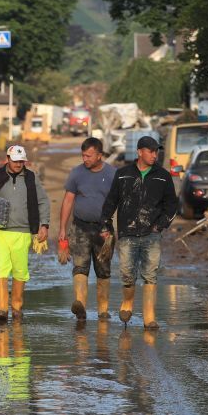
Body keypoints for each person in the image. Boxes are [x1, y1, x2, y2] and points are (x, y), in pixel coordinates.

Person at [99, 135, 178, 329]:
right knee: (127, 273)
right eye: (151, 151)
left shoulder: (163, 176)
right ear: (140, 152)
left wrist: (159, 225)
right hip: (127, 233)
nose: (154, 155)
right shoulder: (123, 174)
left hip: (152, 234)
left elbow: (172, 206)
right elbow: (111, 201)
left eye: (156, 151)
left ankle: (149, 318)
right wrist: (105, 224)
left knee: (150, 274)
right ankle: (127, 302)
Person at [0, 145, 50, 322]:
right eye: (15, 161)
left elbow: (43, 201)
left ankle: (17, 307)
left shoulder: (31, 177)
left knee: (20, 269)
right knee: (1, 266)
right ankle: (2, 309)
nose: (18, 164)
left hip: (23, 232)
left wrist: (44, 225)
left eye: (21, 161)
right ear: (7, 159)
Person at [58, 137, 117, 320]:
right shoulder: (76, 173)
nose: (85, 159)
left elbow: (121, 202)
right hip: (80, 228)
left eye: (89, 156)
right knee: (80, 267)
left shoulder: (113, 174)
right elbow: (68, 201)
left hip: (104, 230)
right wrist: (62, 229)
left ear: (100, 155)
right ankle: (80, 307)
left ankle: (103, 311)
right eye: (83, 155)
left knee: (103, 270)